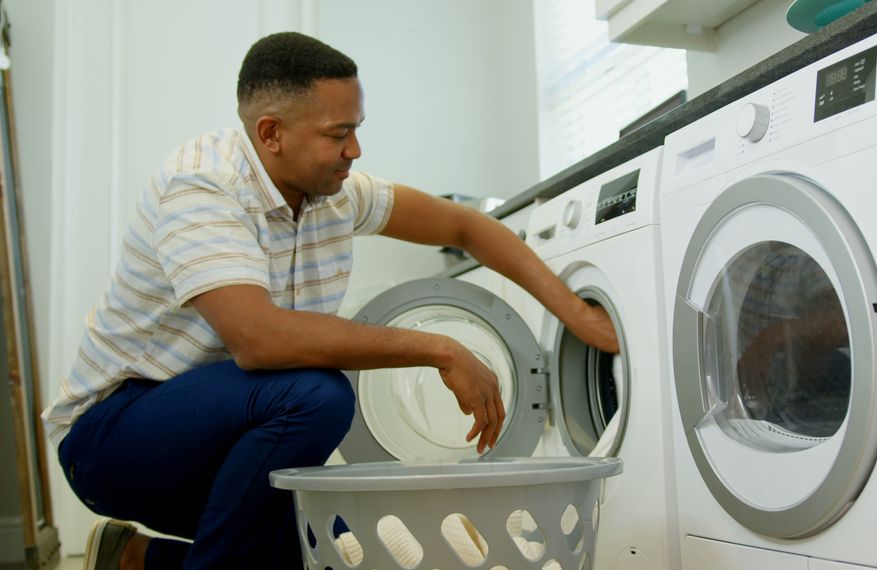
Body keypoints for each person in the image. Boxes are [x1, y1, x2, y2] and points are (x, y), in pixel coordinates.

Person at [41, 31, 618, 570]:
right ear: (271, 133)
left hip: (211, 431)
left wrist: (575, 314)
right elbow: (260, 341)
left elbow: (465, 227)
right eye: (338, 134)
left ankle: (132, 557)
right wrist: (441, 349)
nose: (356, 150)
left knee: (340, 548)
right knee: (317, 393)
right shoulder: (201, 188)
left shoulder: (332, 195)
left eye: (356, 128)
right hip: (110, 437)